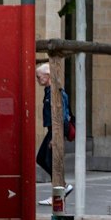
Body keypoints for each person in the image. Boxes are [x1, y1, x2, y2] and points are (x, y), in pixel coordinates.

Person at [35, 63, 74, 195]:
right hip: (52, 130)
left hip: (55, 130)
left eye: (39, 77)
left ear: (47, 76)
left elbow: (61, 115)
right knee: (43, 159)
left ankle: (61, 187)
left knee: (47, 160)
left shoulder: (56, 92)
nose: (37, 79)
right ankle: (59, 190)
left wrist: (55, 136)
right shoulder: (48, 91)